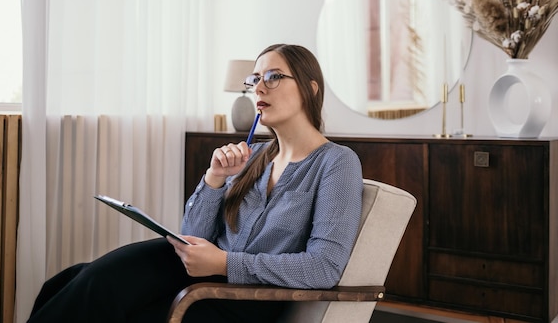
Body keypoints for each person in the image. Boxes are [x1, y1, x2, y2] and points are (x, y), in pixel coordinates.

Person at [27, 43, 364, 323]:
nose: (259, 87)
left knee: (118, 304)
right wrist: (214, 179)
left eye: (274, 77)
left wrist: (224, 263)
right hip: (201, 273)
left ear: (310, 87)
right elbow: (195, 236)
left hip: (245, 296)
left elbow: (324, 266)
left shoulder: (337, 163)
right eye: (256, 78)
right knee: (74, 281)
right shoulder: (254, 155)